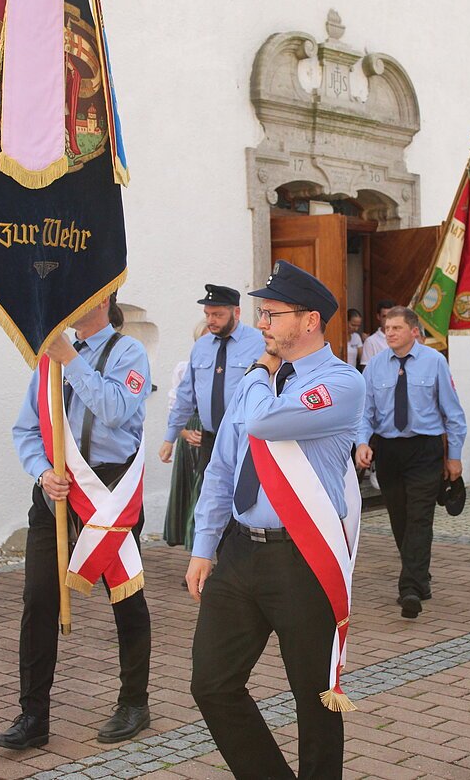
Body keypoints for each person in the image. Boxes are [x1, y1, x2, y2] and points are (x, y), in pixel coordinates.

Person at [186, 260, 366, 780]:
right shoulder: (258, 380)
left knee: (315, 699)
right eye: (261, 313)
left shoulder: (340, 382)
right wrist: (203, 546)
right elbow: (223, 467)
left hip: (302, 557)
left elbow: (265, 423)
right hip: (240, 551)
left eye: (272, 313)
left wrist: (259, 372)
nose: (261, 323)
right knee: (212, 685)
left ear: (309, 320)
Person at [0, 294, 152, 751]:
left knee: (125, 597)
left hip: (109, 492)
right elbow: (26, 428)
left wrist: (72, 361)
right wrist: (42, 471)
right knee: (38, 600)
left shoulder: (127, 352)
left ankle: (134, 703)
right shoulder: (49, 356)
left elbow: (116, 410)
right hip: (55, 493)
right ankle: (33, 716)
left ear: (103, 299)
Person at [356, 306, 466, 619]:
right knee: (399, 517)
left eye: (396, 328)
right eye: (387, 328)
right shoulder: (375, 366)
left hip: (425, 450)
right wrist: (362, 443)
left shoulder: (435, 362)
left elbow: (453, 413)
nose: (389, 333)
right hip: (389, 451)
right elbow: (365, 412)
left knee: (420, 516)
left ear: (414, 331)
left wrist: (454, 456)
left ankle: (410, 588)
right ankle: (419, 575)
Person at [158, 285, 263, 481]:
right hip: (210, 440)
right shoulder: (201, 346)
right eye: (207, 314)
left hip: (245, 440)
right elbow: (186, 395)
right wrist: (169, 438)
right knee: (209, 495)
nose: (210, 320)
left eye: (217, 315)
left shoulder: (259, 343)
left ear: (236, 312)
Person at [163, 320, 209, 550]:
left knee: (206, 492)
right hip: (190, 431)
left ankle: (205, 551)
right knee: (191, 490)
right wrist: (182, 433)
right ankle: (195, 552)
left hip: (213, 432)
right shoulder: (185, 369)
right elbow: (176, 406)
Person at [360, 298, 396, 367]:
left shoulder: (402, 339)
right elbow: (366, 369)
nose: (388, 319)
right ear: (378, 317)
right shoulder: (371, 342)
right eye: (384, 316)